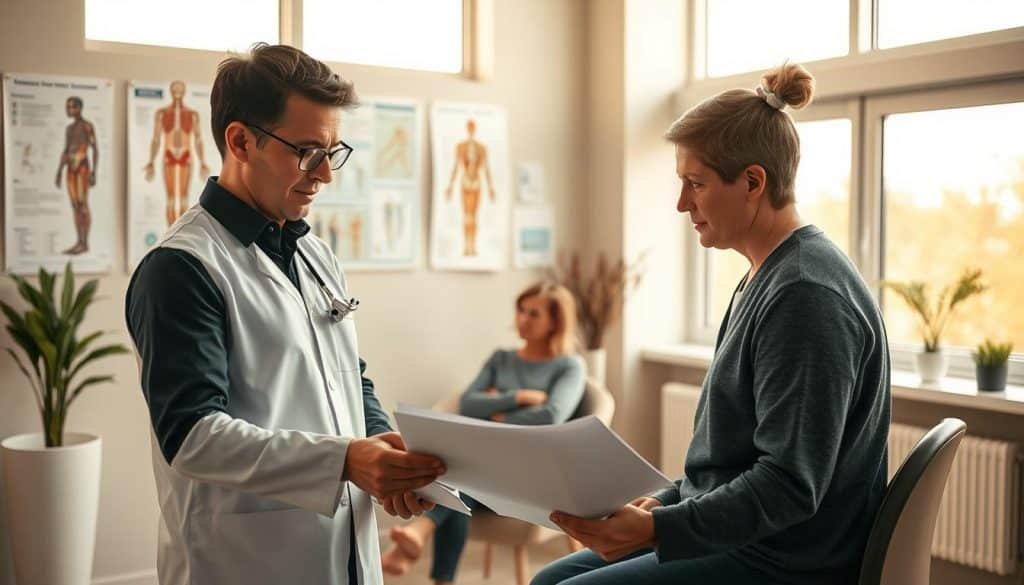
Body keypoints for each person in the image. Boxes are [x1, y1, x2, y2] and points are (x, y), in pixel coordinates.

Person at [534, 62, 891, 585]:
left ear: (752, 182)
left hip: (782, 561)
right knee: (548, 581)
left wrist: (658, 530)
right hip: (741, 539)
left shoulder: (805, 296)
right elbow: (732, 460)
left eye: (695, 184)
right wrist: (662, 505)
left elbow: (789, 485)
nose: (682, 204)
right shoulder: (765, 276)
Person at [125, 43, 444, 585]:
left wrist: (384, 449)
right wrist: (346, 460)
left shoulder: (314, 254)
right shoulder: (181, 268)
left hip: (346, 549)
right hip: (242, 560)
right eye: (306, 151)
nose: (324, 174)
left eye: (333, 151)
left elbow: (348, 376)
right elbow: (192, 435)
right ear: (240, 141)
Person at [381, 282, 587, 584]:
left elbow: (552, 414)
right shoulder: (501, 358)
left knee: (464, 471)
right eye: (520, 310)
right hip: (486, 463)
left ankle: (421, 537)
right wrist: (519, 398)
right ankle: (429, 558)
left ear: (556, 322)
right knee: (466, 474)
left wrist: (494, 411)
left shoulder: (569, 365)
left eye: (534, 314)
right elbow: (468, 402)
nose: (523, 320)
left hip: (529, 470)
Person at [143, 80, 211, 226]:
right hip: (169, 156)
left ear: (184, 92)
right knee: (171, 197)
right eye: (175, 92)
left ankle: (181, 230)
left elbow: (198, 140)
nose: (178, 95)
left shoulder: (192, 114)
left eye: (180, 92)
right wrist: (151, 161)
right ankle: (171, 231)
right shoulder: (162, 113)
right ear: (171, 92)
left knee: (184, 196)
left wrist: (202, 162)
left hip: (186, 156)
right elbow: (156, 139)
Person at [444, 118, 496, 257]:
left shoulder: (481, 148)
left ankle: (473, 246)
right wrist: (450, 186)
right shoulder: (460, 146)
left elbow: (486, 168)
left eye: (472, 127)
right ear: (467, 129)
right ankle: (466, 246)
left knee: (474, 216)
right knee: (467, 216)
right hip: (466, 181)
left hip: (476, 182)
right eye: (469, 127)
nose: (471, 129)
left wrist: (491, 187)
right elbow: (455, 167)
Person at [55, 96, 97, 255]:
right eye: (68, 107)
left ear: (79, 108)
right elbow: (66, 150)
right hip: (70, 169)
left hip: (82, 167)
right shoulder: (69, 129)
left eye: (72, 107)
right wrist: (59, 171)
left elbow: (95, 149)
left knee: (83, 205)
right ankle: (79, 241)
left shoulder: (87, 126)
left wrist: (94, 173)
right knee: (75, 206)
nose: (69, 110)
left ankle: (85, 242)